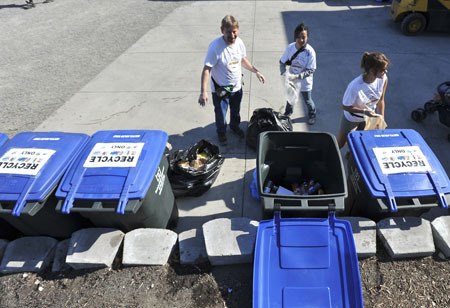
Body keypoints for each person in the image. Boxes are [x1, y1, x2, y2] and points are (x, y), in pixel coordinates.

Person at [199, 15, 265, 145]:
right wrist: (203, 91)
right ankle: (221, 132)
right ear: (222, 30)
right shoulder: (215, 47)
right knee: (221, 115)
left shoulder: (239, 43)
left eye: (234, 31)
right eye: (228, 32)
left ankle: (234, 127)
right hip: (221, 89)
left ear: (238, 30)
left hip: (236, 87)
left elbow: (242, 60)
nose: (232, 35)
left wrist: (256, 71)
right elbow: (207, 69)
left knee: (235, 111)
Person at [337, 52, 390, 149]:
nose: (385, 72)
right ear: (372, 70)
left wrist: (381, 118)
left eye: (386, 69)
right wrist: (364, 111)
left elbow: (381, 100)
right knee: (340, 144)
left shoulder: (383, 79)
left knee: (360, 143)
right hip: (351, 118)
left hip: (368, 118)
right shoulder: (355, 86)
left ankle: (352, 157)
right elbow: (345, 106)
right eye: (382, 70)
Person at [279, 23, 317, 125]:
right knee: (290, 98)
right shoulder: (290, 47)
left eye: (303, 37)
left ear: (307, 37)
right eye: (298, 37)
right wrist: (283, 72)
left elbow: (311, 70)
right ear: (295, 37)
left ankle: (312, 114)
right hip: (292, 80)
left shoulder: (310, 52)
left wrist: (298, 76)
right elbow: (282, 62)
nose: (301, 40)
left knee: (308, 100)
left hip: (305, 82)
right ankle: (287, 114)